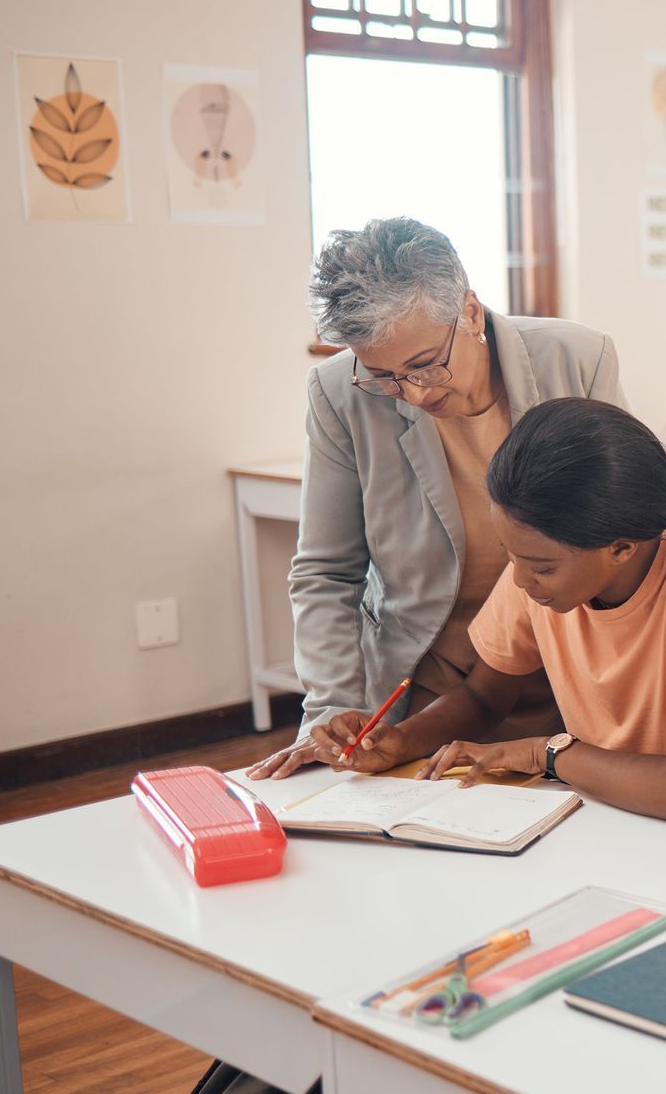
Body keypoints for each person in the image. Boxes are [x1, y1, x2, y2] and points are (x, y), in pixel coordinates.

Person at [294, 398, 666, 826]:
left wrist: (544, 753)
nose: (520, 580)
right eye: (512, 557)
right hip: (610, 808)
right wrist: (401, 741)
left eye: (539, 567)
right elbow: (484, 697)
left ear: (620, 547)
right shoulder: (539, 570)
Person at [251, 217, 626, 782]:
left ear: (470, 313)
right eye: (385, 377)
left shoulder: (577, 360)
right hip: (427, 694)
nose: (416, 393)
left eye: (426, 364)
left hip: (574, 676)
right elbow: (327, 571)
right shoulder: (338, 393)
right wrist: (329, 710)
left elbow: (630, 525)